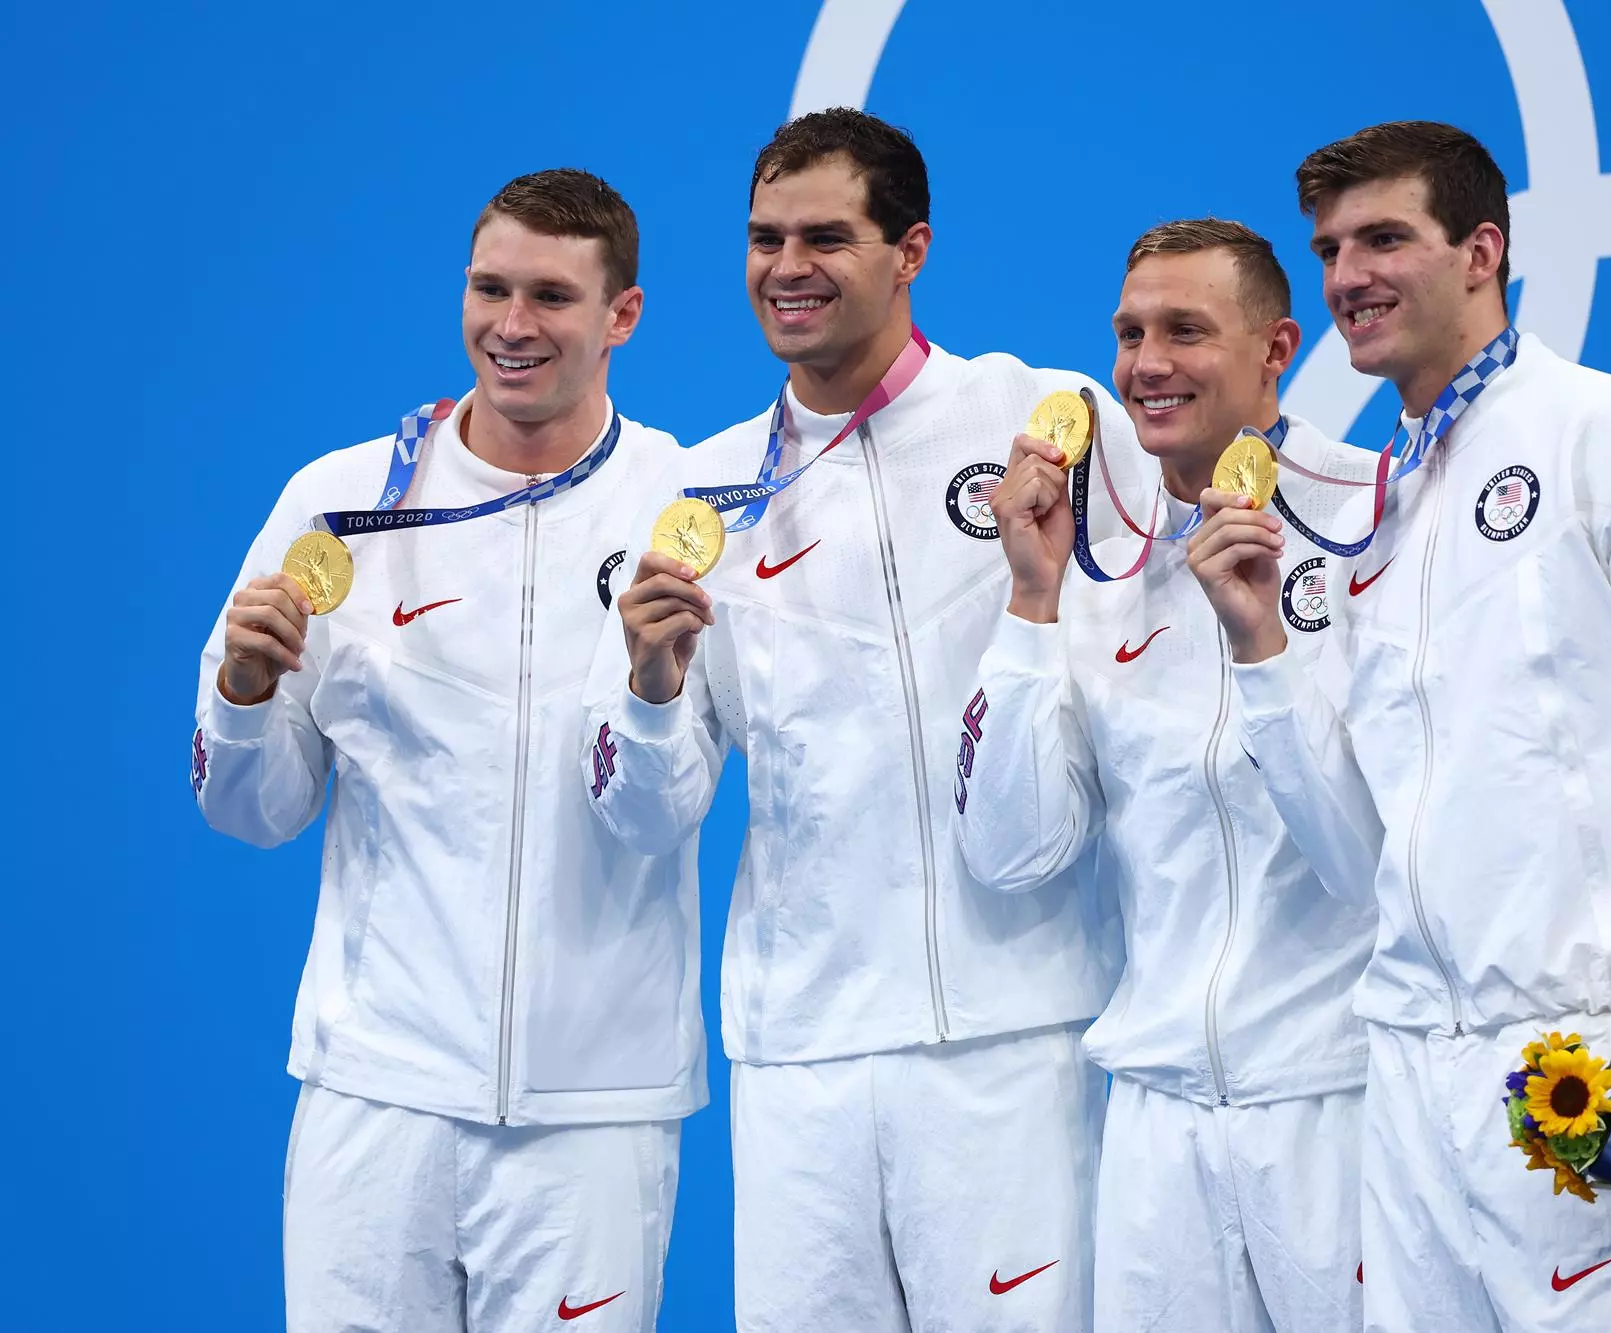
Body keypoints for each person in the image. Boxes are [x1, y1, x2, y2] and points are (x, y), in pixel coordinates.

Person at [1188, 121, 1611, 1331]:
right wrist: (1258, 644)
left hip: (1586, 1056)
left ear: (1480, 252)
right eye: (1328, 248)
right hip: (1408, 1069)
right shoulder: (1385, 498)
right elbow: (1360, 852)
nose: (1347, 273)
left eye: (1382, 239)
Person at [581, 109, 1137, 1331]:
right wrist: (650, 685)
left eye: (825, 236)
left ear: (911, 249)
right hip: (801, 1059)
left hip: (1011, 1034)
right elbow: (642, 816)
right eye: (764, 238)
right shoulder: (705, 493)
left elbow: (1161, 667)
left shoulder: (1044, 417)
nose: (788, 267)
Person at [193, 169, 701, 1333]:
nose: (511, 326)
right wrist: (242, 693)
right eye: (489, 289)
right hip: (377, 1094)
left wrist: (653, 688)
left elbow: (659, 815)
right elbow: (253, 810)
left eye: (550, 297)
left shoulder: (678, 506)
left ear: (621, 315)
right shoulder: (338, 503)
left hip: (594, 1109)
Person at [955, 218, 1382, 1332]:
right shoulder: (1103, 565)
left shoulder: (1371, 523)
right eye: (1129, 332)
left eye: (1186, 331)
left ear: (1276, 345)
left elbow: (1366, 867)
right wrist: (1030, 602)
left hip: (1335, 1103)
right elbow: (1007, 852)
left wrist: (1259, 651)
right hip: (1154, 1121)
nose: (1146, 364)